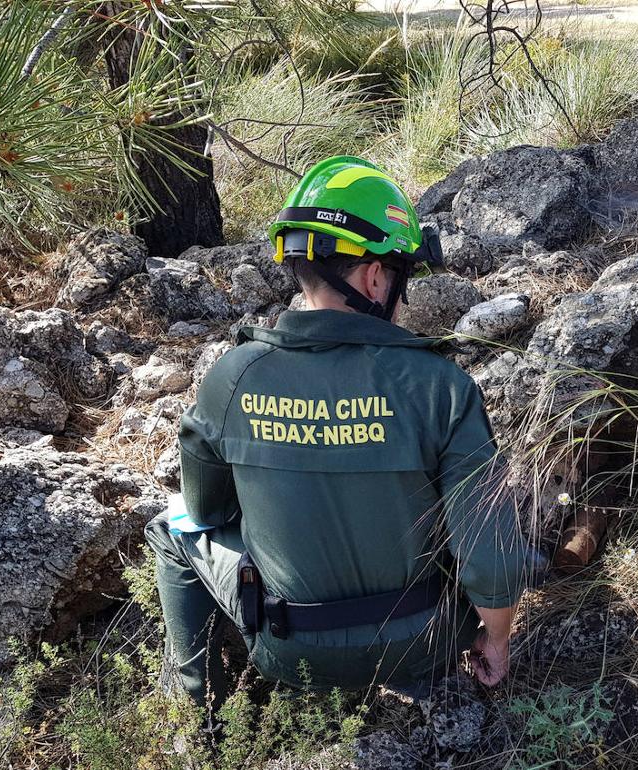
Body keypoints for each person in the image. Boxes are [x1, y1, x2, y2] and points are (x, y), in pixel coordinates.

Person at [143, 155, 527, 711]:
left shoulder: (234, 376)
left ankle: (203, 713)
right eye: (403, 277)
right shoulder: (441, 385)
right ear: (375, 276)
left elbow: (206, 511)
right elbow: (487, 553)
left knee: (170, 529)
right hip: (426, 643)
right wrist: (495, 640)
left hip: (288, 650)